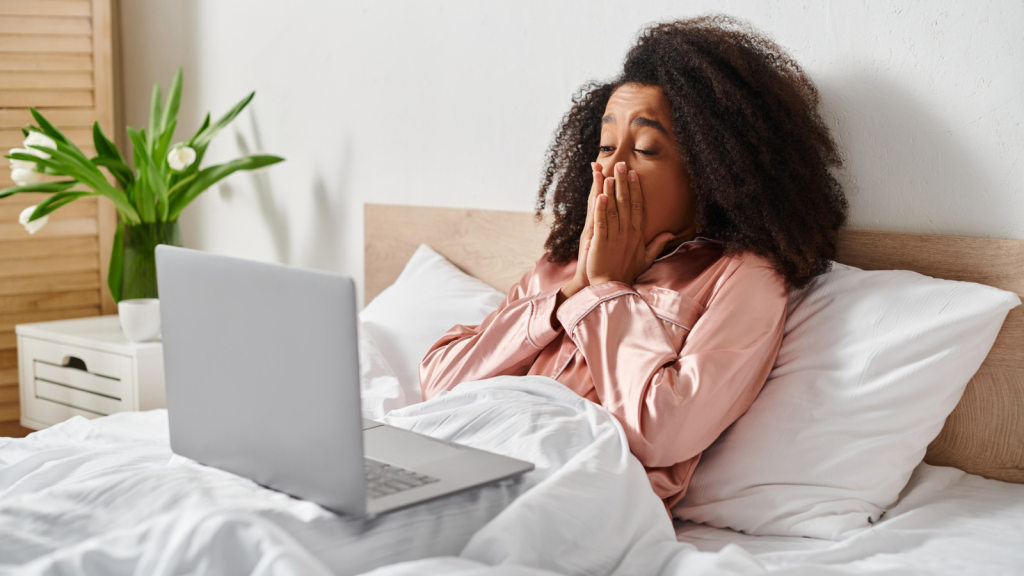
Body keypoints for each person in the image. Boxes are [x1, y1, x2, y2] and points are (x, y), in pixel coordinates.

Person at [419, 16, 849, 510]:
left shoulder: (741, 276)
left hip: (571, 489)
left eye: (645, 149)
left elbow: (664, 430)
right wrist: (572, 289)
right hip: (460, 458)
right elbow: (440, 384)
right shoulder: (559, 266)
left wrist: (605, 291)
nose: (609, 165)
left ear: (710, 173)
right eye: (604, 146)